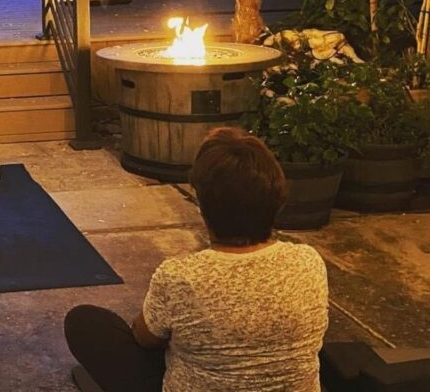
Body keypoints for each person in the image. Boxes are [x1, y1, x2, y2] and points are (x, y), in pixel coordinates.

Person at [64, 127, 328, 392]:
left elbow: (144, 337)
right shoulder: (308, 262)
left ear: (202, 206)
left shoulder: (181, 276)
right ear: (278, 199)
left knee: (85, 323)